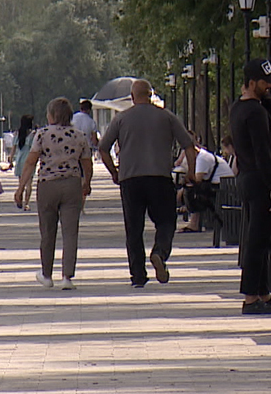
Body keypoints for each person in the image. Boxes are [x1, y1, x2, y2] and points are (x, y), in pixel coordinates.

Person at [98, 79, 197, 287]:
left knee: (133, 229)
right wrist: (192, 174)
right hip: (160, 177)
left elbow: (103, 148)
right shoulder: (167, 117)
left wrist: (114, 172)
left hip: (130, 179)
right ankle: (160, 251)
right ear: (151, 95)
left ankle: (138, 276)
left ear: (132, 97)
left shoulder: (121, 119)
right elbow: (189, 145)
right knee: (166, 221)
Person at [228, 59, 271, 315]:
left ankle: (263, 293)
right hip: (261, 179)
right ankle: (251, 297)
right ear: (252, 83)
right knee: (258, 241)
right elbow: (262, 152)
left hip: (247, 178)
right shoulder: (255, 113)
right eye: (265, 83)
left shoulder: (239, 108)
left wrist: (258, 97)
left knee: (261, 239)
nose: (270, 87)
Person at [17, 97, 94, 290]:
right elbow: (87, 163)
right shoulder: (79, 136)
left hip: (47, 185)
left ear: (51, 115)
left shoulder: (42, 135)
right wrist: (87, 183)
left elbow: (30, 162)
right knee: (70, 232)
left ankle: (47, 274)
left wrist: (20, 188)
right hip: (71, 184)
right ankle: (67, 277)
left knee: (47, 231)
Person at [176, 131, 235, 232]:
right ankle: (192, 218)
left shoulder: (202, 158)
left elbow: (197, 179)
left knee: (192, 190)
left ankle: (193, 222)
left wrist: (183, 188)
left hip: (224, 189)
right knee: (192, 189)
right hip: (221, 186)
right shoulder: (201, 156)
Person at [11, 114, 36, 210]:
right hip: (29, 159)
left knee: (21, 182)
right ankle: (26, 203)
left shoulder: (18, 134)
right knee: (29, 183)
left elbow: (14, 147)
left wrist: (11, 158)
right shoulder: (33, 134)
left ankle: (19, 200)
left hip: (20, 159)